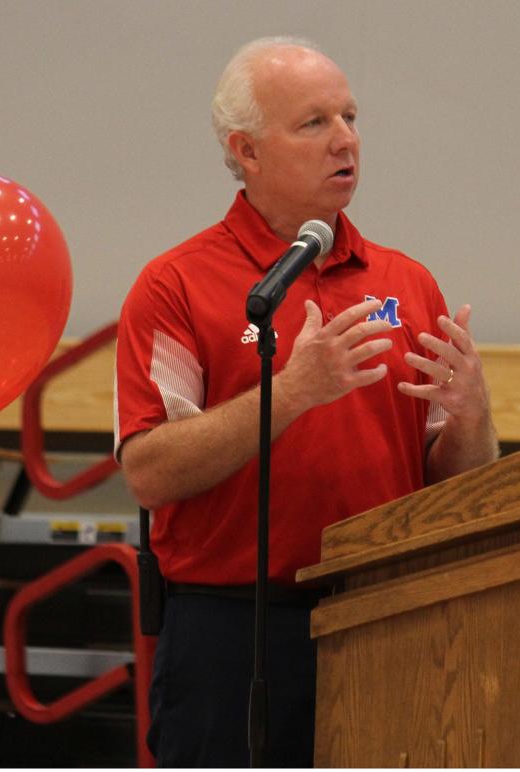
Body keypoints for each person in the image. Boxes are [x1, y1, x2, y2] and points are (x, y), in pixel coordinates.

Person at [114, 36, 499, 767]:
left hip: (390, 618)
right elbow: (150, 471)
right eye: (314, 123)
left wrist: (474, 421)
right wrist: (289, 393)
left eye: (350, 117)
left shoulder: (408, 283)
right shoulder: (175, 285)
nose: (346, 140)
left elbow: (464, 490)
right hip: (235, 633)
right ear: (247, 152)